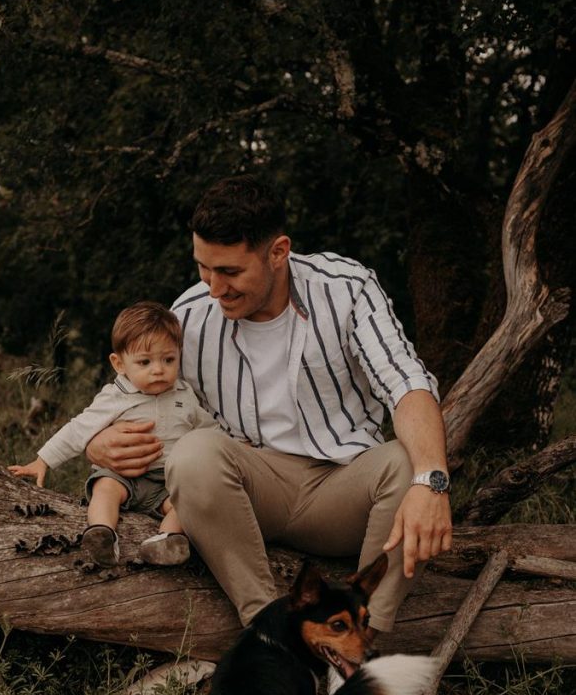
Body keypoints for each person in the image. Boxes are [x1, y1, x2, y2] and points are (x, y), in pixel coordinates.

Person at [86, 176, 453, 642]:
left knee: (408, 463)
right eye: (204, 268)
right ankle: (269, 631)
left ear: (278, 251)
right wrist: (98, 443)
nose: (215, 287)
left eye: (231, 272)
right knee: (195, 453)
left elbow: (406, 383)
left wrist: (432, 482)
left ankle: (365, 637)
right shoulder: (192, 313)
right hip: (249, 490)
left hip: (343, 488)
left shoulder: (345, 288)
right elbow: (137, 393)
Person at [9, 301, 217, 568]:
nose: (158, 369)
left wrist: (235, 447)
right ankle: (102, 533)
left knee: (187, 503)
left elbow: (208, 431)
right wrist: (43, 460)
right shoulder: (115, 397)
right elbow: (79, 427)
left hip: (166, 479)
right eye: (144, 362)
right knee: (105, 489)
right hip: (121, 476)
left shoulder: (184, 396)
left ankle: (168, 539)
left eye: (169, 360)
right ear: (119, 363)